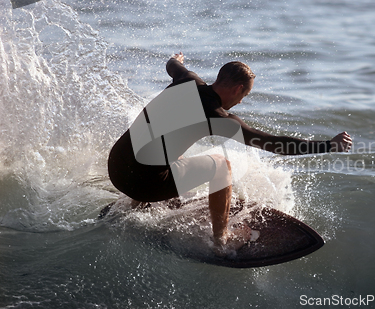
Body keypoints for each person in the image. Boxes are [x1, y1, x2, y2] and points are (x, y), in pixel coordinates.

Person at [108, 52, 352, 254]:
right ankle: (221, 239)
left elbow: (171, 65)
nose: (241, 102)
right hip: (143, 183)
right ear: (237, 89)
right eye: (244, 96)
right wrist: (328, 145)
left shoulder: (186, 80)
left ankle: (137, 206)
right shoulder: (218, 116)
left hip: (117, 168)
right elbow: (275, 144)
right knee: (221, 165)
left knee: (168, 148)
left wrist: (178, 60)